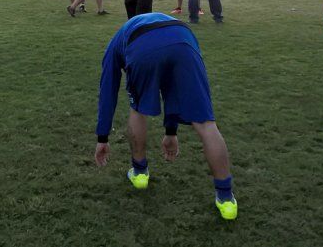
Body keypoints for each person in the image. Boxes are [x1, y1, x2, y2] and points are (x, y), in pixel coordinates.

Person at [94, 13, 238, 220]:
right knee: (206, 124)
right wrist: (171, 133)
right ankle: (226, 199)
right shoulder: (140, 31)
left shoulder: (114, 46)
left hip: (143, 44)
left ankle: (139, 172)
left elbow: (108, 89)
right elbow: (171, 88)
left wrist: (102, 137)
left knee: (138, 109)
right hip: (184, 39)